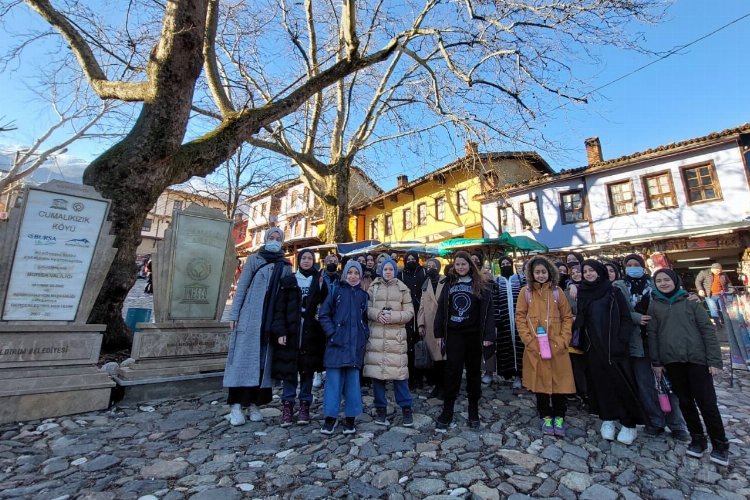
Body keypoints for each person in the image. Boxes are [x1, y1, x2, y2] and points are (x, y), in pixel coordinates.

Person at [648, 268, 729, 466]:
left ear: (675, 280)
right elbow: (653, 335)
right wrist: (656, 362)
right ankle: (697, 439)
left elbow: (707, 331)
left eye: (667, 279)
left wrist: (714, 360)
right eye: (659, 281)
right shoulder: (654, 306)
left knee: (707, 403)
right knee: (685, 402)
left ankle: (719, 444)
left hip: (697, 361)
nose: (663, 283)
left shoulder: (691, 302)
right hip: (672, 362)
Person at [616, 255, 689, 441]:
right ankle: (655, 421)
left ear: (643, 267)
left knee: (669, 385)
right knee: (646, 386)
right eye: (629, 265)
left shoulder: (656, 284)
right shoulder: (619, 286)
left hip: (661, 341)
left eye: (636, 265)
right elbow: (619, 311)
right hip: (636, 343)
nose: (633, 268)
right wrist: (636, 318)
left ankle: (677, 424)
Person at [225, 227, 292, 426]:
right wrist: (234, 314)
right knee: (243, 361)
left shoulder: (285, 265)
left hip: (271, 319)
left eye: (277, 238)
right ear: (265, 239)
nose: (274, 240)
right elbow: (242, 287)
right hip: (250, 316)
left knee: (263, 362)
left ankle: (255, 402)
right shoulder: (255, 259)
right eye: (271, 237)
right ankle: (236, 404)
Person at [575, 259, 643, 445]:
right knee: (600, 385)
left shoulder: (613, 292)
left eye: (591, 270)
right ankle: (608, 419)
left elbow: (626, 318)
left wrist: (621, 341)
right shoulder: (582, 293)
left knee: (622, 384)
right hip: (593, 348)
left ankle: (629, 423)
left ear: (600, 272)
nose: (588, 273)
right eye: (585, 271)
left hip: (615, 347)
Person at [433, 251, 496, 431]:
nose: (461, 267)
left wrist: (489, 336)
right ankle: (448, 409)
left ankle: (473, 408)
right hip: (454, 334)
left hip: (474, 335)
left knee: (474, 372)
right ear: (454, 266)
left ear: (470, 265)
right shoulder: (449, 284)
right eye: (458, 264)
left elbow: (488, 312)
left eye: (464, 264)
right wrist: (438, 333)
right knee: (452, 371)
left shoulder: (481, 285)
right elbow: (441, 310)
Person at [516, 255, 575, 437]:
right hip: (536, 345)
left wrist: (564, 339)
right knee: (540, 383)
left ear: (550, 272)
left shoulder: (557, 292)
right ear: (531, 274)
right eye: (537, 272)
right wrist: (529, 340)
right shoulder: (526, 292)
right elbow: (520, 317)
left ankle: (559, 416)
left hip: (557, 345)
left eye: (543, 272)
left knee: (560, 383)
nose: (541, 275)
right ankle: (545, 415)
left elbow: (567, 317)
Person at [271, 249, 326, 426]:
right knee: (289, 369)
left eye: (310, 258)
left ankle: (304, 406)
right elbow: (279, 308)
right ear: (299, 260)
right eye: (304, 258)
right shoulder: (289, 281)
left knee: (307, 370)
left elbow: (324, 304)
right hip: (291, 330)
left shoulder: (318, 281)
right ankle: (287, 406)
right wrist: (280, 331)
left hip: (311, 331)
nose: (307, 261)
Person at [318, 261, 370, 435]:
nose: (353, 276)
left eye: (356, 273)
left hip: (355, 345)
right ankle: (330, 418)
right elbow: (324, 314)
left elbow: (365, 319)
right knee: (333, 382)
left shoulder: (363, 296)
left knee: (353, 384)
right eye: (350, 273)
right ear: (345, 274)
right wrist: (332, 333)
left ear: (361, 276)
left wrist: (364, 334)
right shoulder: (336, 291)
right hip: (336, 344)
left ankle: (350, 418)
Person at [365, 258, 415, 426]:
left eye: (390, 269)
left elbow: (409, 312)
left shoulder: (403, 289)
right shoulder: (373, 287)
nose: (387, 272)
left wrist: (393, 317)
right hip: (377, 336)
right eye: (385, 269)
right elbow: (366, 308)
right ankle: (380, 409)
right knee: (377, 376)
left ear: (395, 270)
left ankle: (406, 408)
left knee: (400, 375)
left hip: (396, 338)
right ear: (381, 270)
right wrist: (376, 314)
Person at [494, 254, 526, 390]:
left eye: (508, 263)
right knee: (506, 347)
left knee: (521, 346)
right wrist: (497, 317)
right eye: (503, 264)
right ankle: (511, 373)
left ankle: (521, 374)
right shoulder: (497, 281)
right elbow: (495, 301)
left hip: (520, 319)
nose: (505, 266)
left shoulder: (520, 279)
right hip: (505, 321)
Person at [417, 258, 447, 399]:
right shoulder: (425, 284)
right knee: (434, 358)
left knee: (444, 357)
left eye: (433, 266)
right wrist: (421, 324)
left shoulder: (446, 281)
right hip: (429, 325)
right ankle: (437, 385)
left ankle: (444, 386)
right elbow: (422, 306)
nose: (431, 268)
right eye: (428, 266)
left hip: (444, 324)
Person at [398, 251, 428, 389]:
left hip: (421, 312)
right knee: (408, 346)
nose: (410, 261)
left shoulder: (424, 272)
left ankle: (420, 377)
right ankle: (409, 377)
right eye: (408, 259)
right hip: (407, 314)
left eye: (413, 259)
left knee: (420, 345)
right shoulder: (402, 274)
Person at [313, 254, 341, 389]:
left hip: (334, 316)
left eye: (334, 261)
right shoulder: (318, 277)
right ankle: (318, 372)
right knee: (318, 344)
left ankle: (328, 372)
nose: (332, 263)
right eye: (330, 261)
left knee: (331, 343)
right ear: (325, 262)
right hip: (320, 314)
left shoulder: (340, 279)